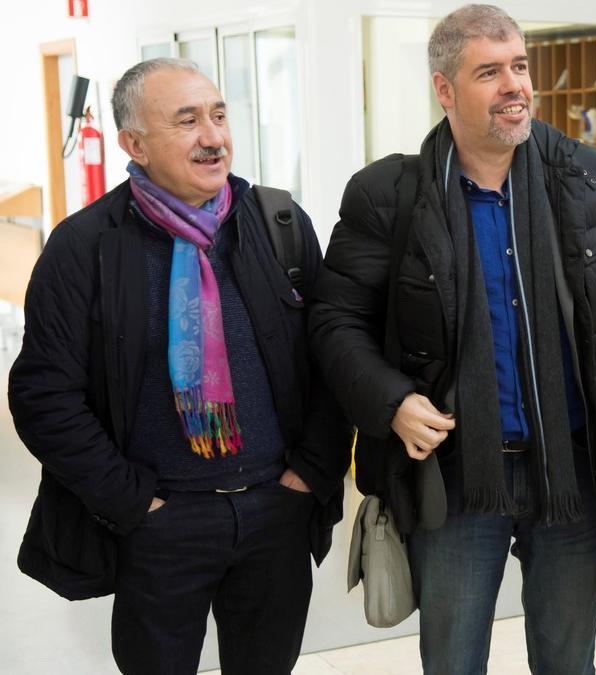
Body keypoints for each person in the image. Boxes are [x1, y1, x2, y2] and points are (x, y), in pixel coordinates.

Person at [307, 4, 596, 673]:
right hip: (456, 479)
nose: (514, 84)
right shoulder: (386, 193)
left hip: (572, 472)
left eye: (519, 66)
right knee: (454, 661)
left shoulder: (589, 176)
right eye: (489, 72)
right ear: (444, 90)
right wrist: (391, 401)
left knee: (568, 662)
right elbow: (334, 321)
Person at [8, 58, 351, 674]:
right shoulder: (87, 247)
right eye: (187, 120)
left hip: (275, 510)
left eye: (219, 115)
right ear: (134, 144)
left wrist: (310, 474)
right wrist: (136, 505)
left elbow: (330, 357)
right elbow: (43, 395)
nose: (213, 136)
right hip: (161, 524)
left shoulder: (280, 226)